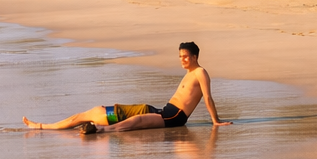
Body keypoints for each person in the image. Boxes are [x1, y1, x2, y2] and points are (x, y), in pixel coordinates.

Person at [23, 41, 231, 132]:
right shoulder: (190, 72)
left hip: (173, 117)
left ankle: (99, 131)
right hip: (161, 111)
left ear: (195, 56)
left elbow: (207, 97)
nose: (182, 60)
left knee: (105, 116)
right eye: (180, 57)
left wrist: (215, 121)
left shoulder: (200, 72)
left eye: (186, 57)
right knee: (91, 113)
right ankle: (44, 126)